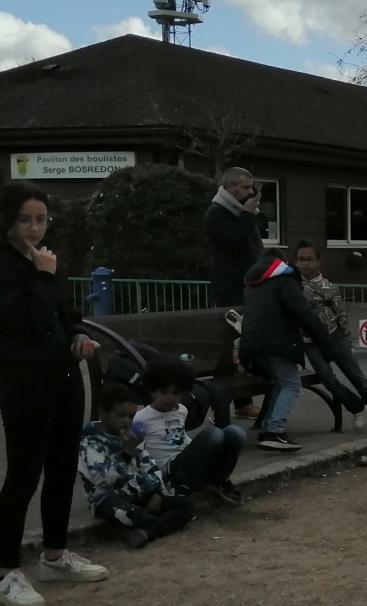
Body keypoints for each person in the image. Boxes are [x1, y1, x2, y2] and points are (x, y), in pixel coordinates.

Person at [0, 182, 109, 606]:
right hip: (24, 381)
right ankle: (7, 572)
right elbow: (27, 322)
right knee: (24, 474)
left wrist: (79, 336)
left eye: (42, 219)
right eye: (26, 219)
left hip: (63, 375)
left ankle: (54, 554)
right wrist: (44, 276)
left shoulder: (45, 261)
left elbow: (62, 316)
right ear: (7, 221)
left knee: (63, 467)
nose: (34, 228)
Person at [293, 241, 367, 436]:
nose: (306, 264)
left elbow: (341, 314)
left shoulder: (327, 287)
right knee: (327, 379)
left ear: (319, 262)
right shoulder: (291, 285)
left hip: (334, 337)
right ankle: (357, 407)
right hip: (310, 343)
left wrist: (347, 340)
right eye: (301, 259)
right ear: (295, 262)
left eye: (310, 259)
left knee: (357, 377)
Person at [239, 249, 339, 453]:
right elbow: (304, 313)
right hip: (276, 342)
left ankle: (269, 428)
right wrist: (327, 344)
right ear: (281, 263)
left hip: (252, 344)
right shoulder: (284, 282)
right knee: (292, 384)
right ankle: (274, 431)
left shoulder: (253, 284)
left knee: (280, 382)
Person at [78, 384, 196, 548]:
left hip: (139, 492)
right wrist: (126, 452)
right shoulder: (90, 443)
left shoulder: (133, 435)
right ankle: (152, 527)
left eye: (131, 416)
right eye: (121, 415)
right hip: (108, 499)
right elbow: (105, 480)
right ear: (103, 413)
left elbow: (150, 467)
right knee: (136, 515)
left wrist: (157, 493)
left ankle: (147, 533)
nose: (127, 421)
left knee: (187, 505)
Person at [133, 357, 247, 504]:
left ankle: (220, 480)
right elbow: (136, 453)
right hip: (169, 468)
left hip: (189, 461)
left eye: (175, 393)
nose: (169, 398)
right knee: (214, 434)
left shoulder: (181, 410)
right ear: (152, 392)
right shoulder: (141, 418)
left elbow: (180, 436)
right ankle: (178, 486)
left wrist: (200, 449)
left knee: (235, 433)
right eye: (164, 392)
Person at [204, 166, 263, 418]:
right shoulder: (217, 213)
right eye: (246, 187)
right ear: (230, 187)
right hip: (230, 287)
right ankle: (221, 398)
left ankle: (240, 399)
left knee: (243, 343)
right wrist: (248, 216)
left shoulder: (239, 212)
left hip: (247, 284)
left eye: (252, 187)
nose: (251, 192)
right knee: (231, 343)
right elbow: (235, 244)